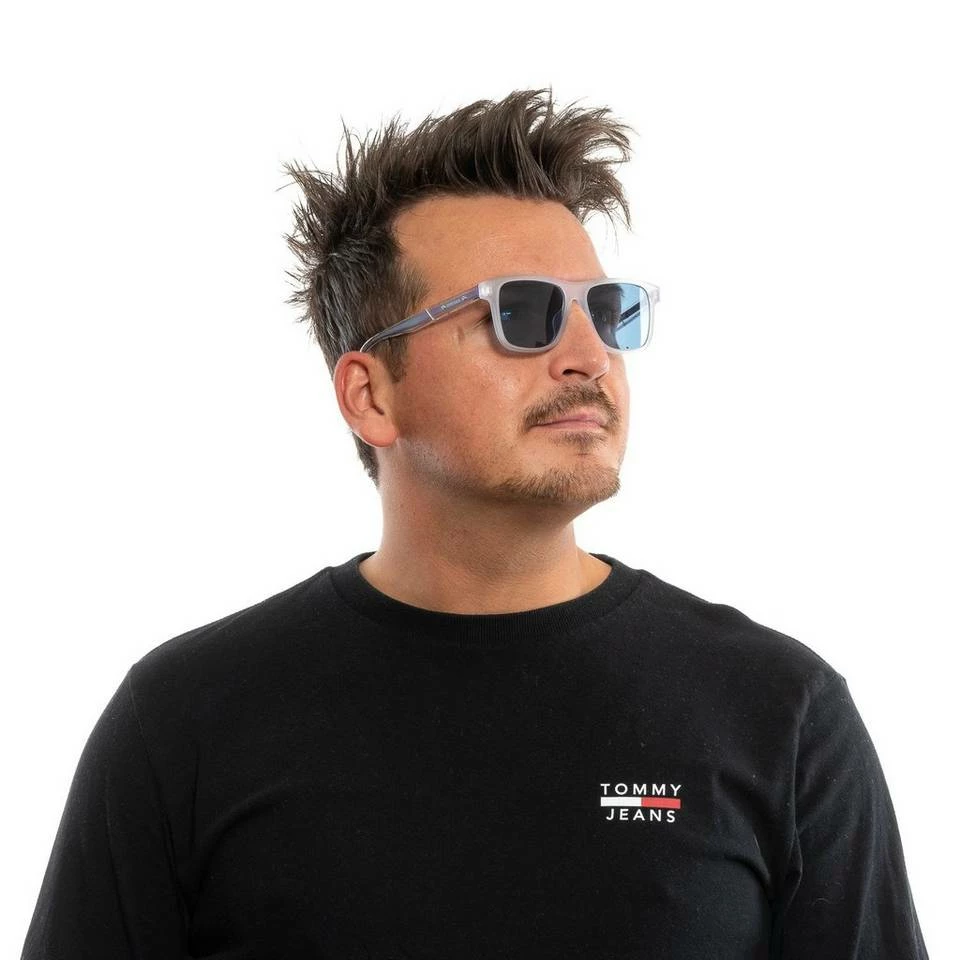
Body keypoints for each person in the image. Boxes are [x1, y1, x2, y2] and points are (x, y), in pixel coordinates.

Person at [21, 88, 928, 959]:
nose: (589, 358)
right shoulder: (184, 723)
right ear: (370, 394)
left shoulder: (778, 713)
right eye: (521, 314)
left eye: (607, 312)